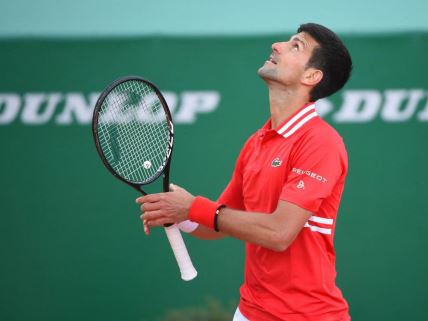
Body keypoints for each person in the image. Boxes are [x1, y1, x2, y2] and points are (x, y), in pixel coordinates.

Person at [137, 23, 353, 321]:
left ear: (311, 76)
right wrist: (180, 214)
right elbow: (215, 222)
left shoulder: (321, 142)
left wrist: (193, 207)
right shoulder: (256, 143)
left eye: (296, 46)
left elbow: (279, 233)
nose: (277, 45)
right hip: (250, 312)